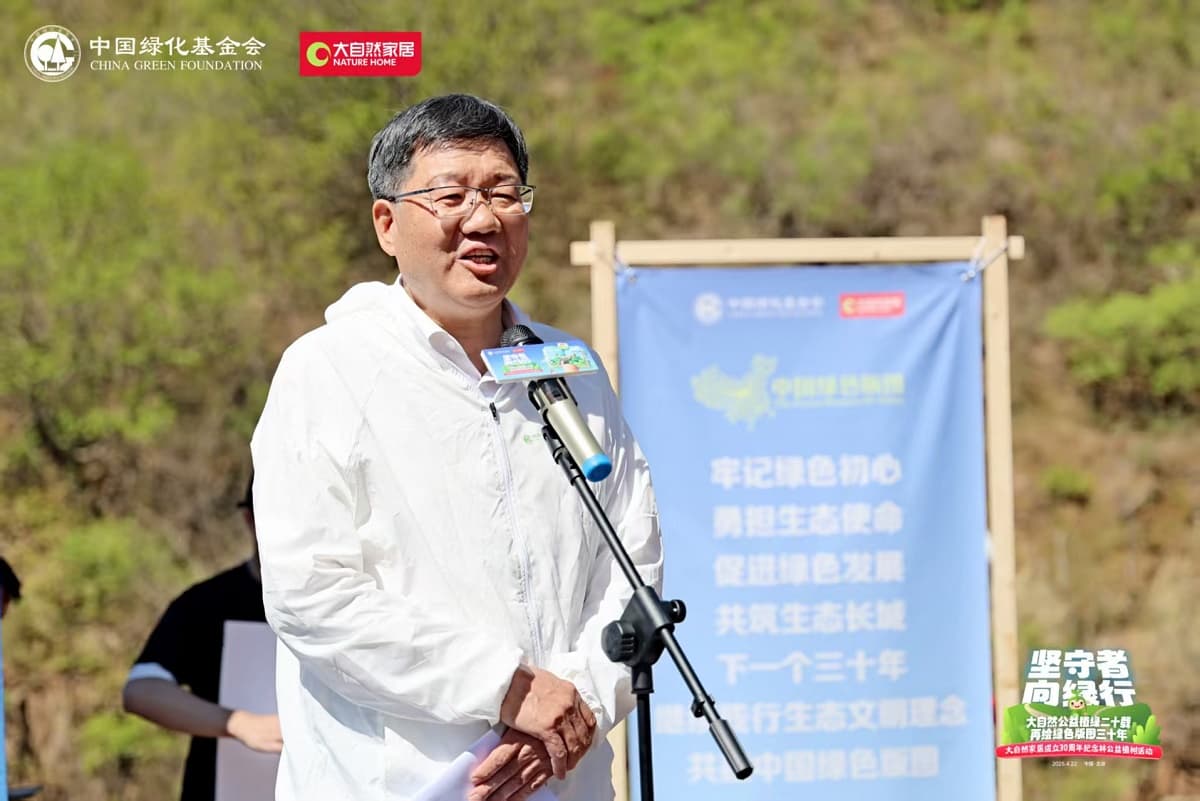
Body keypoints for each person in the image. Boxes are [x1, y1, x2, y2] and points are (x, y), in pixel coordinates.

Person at [251, 93, 663, 801]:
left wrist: (576, 709)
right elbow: (310, 592)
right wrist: (507, 687)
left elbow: (634, 558)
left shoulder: (571, 369)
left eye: (504, 193)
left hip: (560, 773)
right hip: (396, 782)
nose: (483, 218)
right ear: (387, 224)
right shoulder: (328, 369)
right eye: (451, 196)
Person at [123, 475, 283, 801]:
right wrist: (237, 723)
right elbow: (141, 689)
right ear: (250, 519)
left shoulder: (350, 607)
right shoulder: (208, 603)